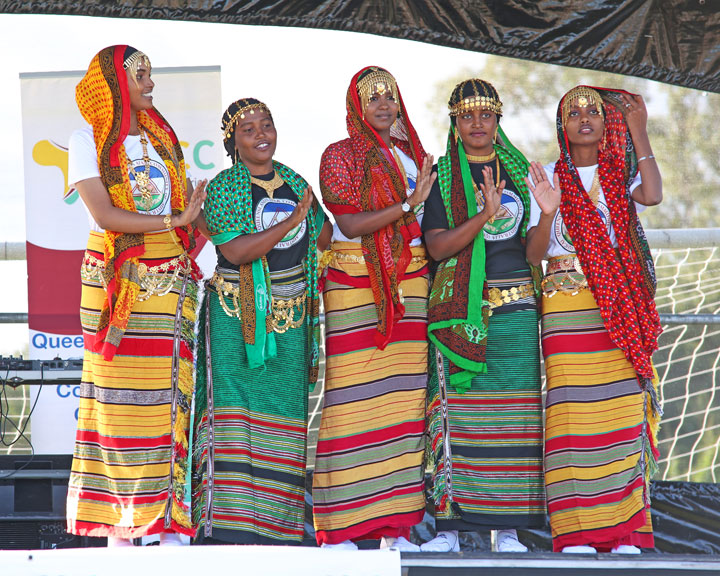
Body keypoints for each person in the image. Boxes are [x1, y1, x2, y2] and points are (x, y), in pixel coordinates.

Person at [66, 45, 206, 546]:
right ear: (112, 84)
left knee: (170, 400)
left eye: (151, 75)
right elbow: (105, 216)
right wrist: (177, 219)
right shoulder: (87, 139)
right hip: (113, 285)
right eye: (140, 75)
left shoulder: (162, 140)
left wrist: (195, 225)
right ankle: (120, 530)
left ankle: (166, 521)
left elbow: (188, 213)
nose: (150, 84)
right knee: (117, 403)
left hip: (170, 280)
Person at [526, 85, 663, 554]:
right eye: (573, 113)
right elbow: (534, 252)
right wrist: (546, 212)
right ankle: (577, 533)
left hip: (619, 309)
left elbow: (654, 194)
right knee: (572, 417)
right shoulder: (545, 174)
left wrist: (640, 131)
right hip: (565, 308)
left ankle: (623, 530)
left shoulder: (619, 170)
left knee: (622, 415)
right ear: (560, 127)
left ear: (608, 124)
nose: (584, 118)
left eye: (593, 112)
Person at [191, 98, 331, 545]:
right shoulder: (225, 186)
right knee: (234, 417)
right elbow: (236, 251)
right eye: (248, 129)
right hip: (236, 316)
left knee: (285, 416)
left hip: (291, 317)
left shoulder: (293, 180)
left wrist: (308, 214)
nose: (261, 134)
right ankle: (227, 528)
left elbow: (324, 235)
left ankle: (277, 527)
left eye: (266, 124)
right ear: (233, 141)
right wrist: (291, 218)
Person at [312, 66, 436, 552]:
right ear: (355, 106)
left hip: (411, 284)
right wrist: (407, 204)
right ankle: (338, 528)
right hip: (353, 284)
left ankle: (395, 529)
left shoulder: (414, 155)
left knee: (403, 406)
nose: (383, 106)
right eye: (373, 98)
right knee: (349, 403)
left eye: (390, 97)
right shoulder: (339, 154)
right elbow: (347, 220)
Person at [420, 79, 546, 553]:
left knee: (515, 418)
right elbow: (436, 246)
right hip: (459, 311)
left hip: (514, 308)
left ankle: (508, 531)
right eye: (467, 115)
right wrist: (482, 216)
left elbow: (532, 252)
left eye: (486, 115)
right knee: (457, 417)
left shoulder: (518, 168)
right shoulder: (445, 174)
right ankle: (450, 531)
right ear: (454, 120)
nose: (477, 124)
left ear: (497, 119)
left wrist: (549, 216)